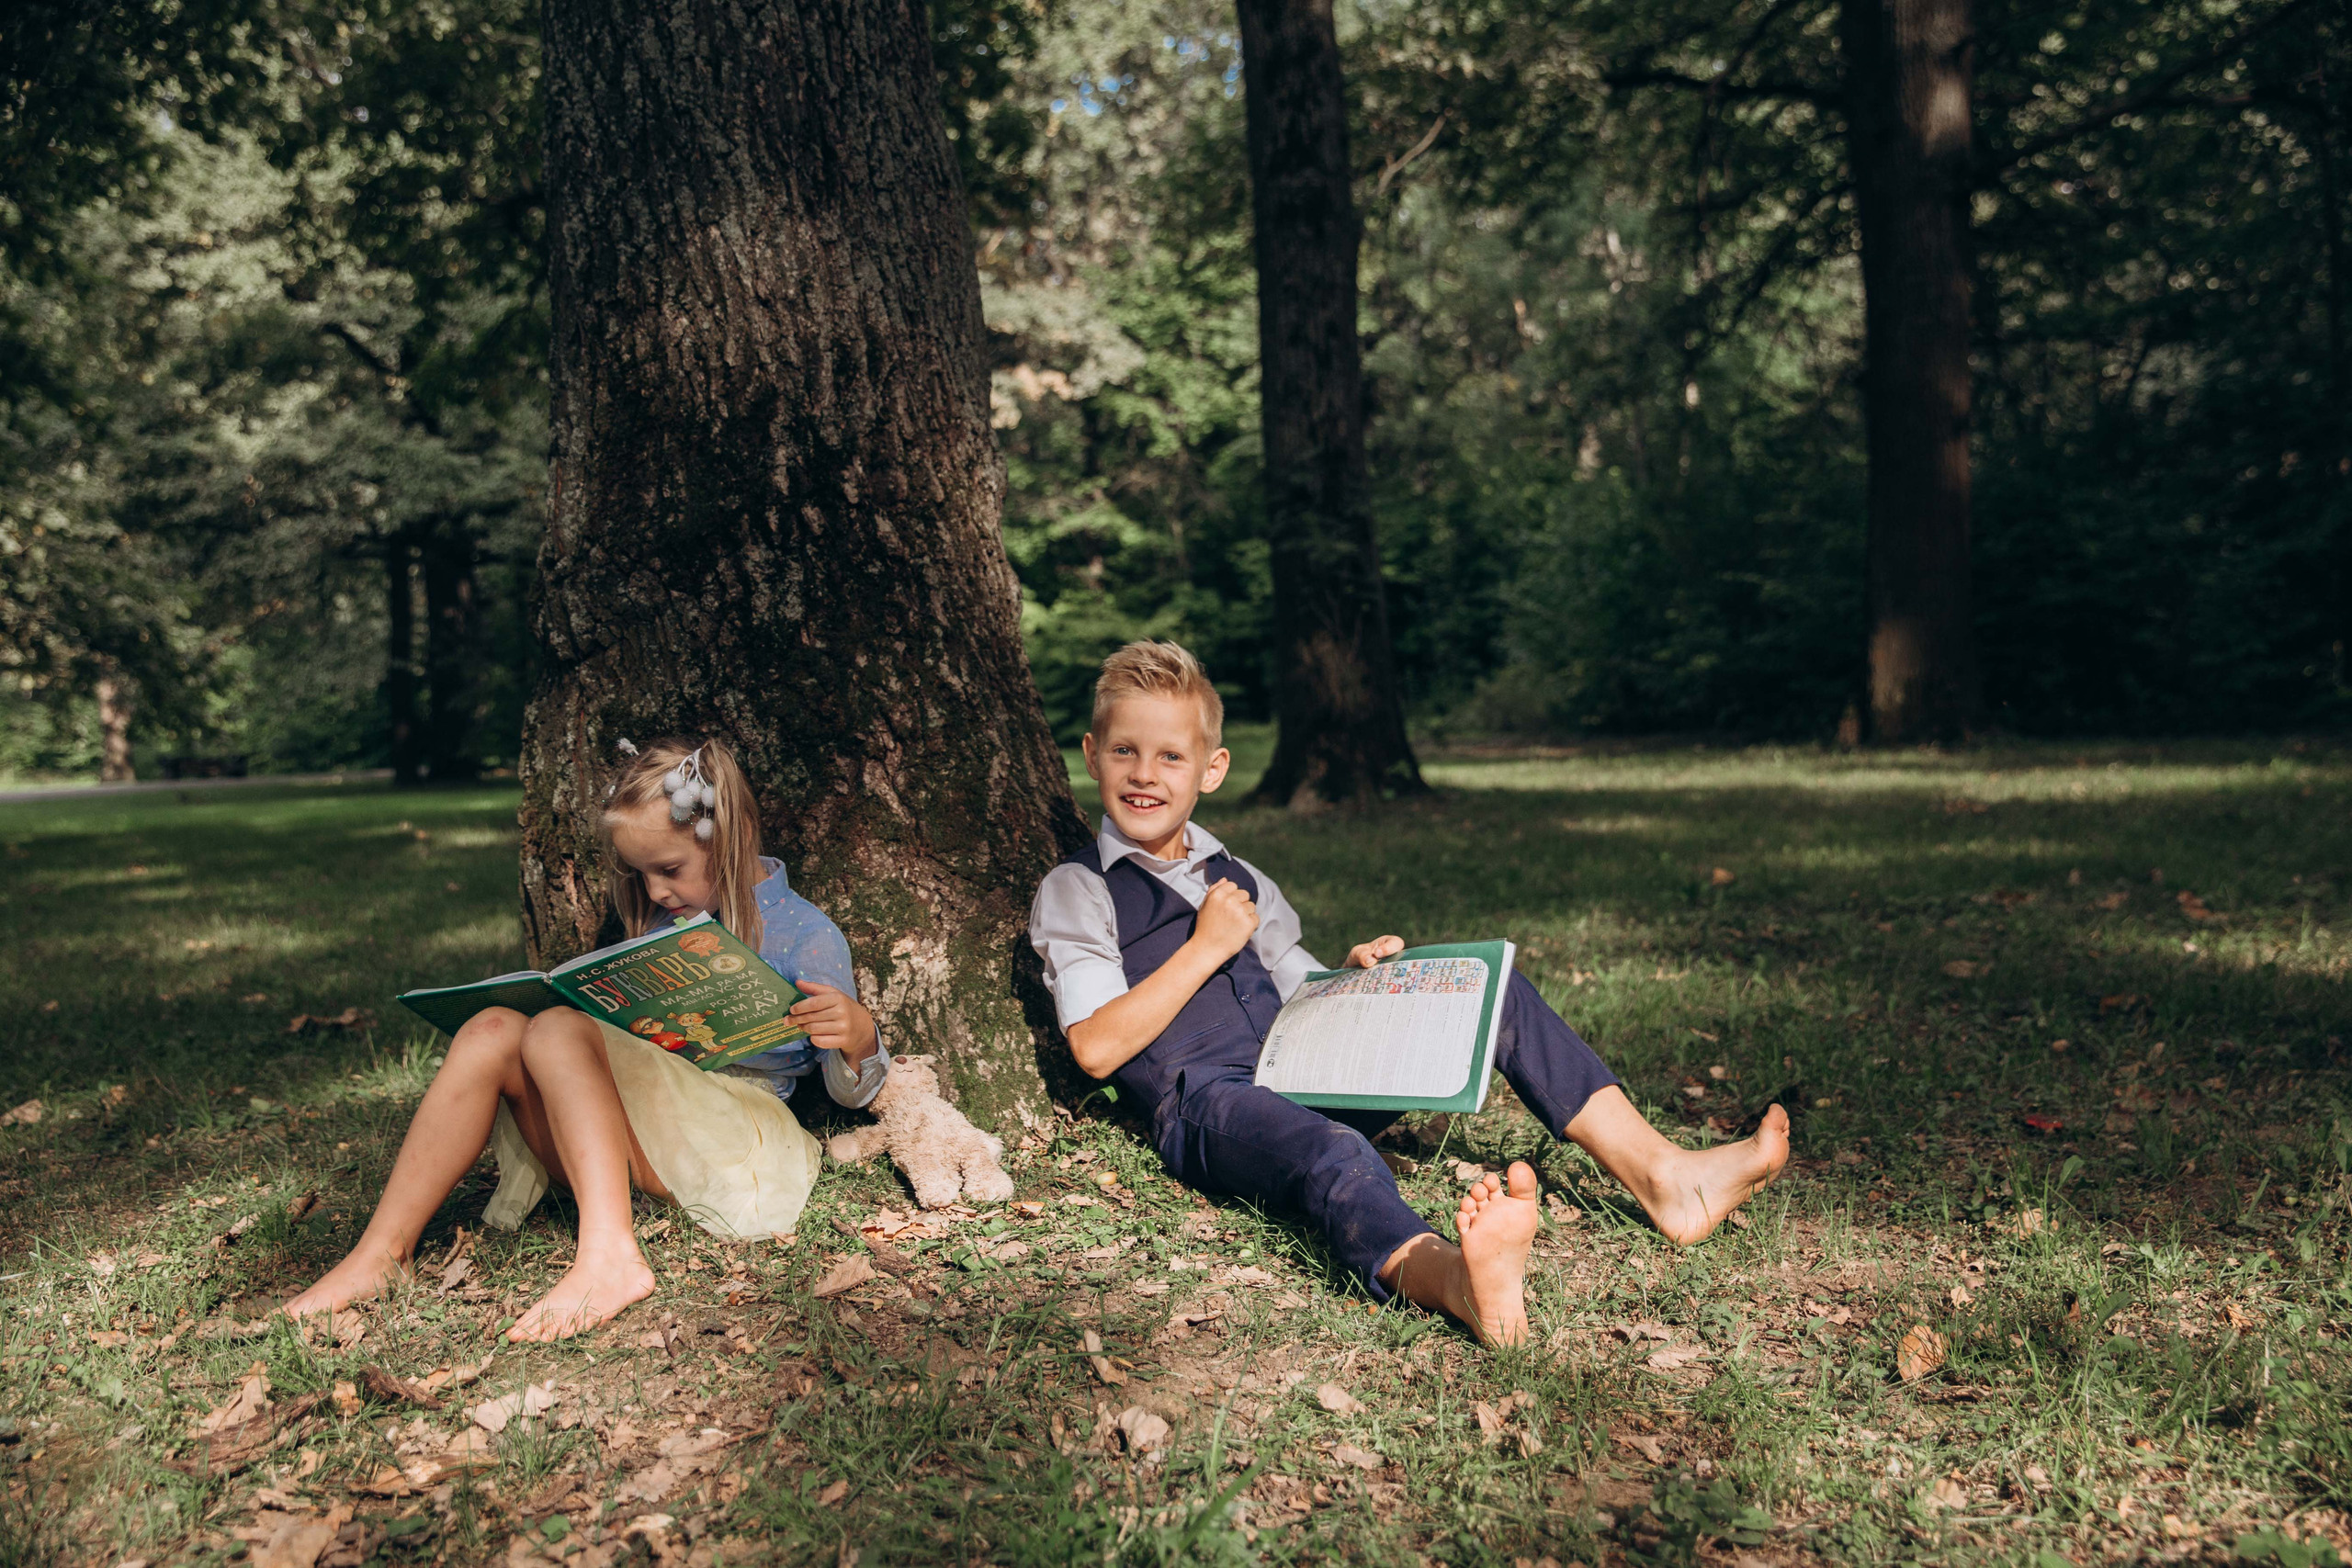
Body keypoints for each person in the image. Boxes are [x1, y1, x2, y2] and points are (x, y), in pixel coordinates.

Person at [1028, 642, 1788, 1347]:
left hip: (1298, 1062)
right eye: (1124, 750)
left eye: (1170, 755)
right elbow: (1096, 1046)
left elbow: (1299, 983)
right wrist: (1205, 948)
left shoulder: (1240, 875)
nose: (1144, 773)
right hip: (1207, 1101)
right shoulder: (1081, 887)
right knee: (1334, 1149)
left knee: (1488, 993)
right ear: (1091, 755)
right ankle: (1451, 1275)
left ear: (1212, 768)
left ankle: (1665, 1176)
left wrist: (1353, 977)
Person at [287, 737, 888, 1341]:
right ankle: (381, 1255)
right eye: (641, 873)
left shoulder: (807, 933)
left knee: (553, 1030)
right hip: (638, 1125)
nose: (654, 892)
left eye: (670, 869)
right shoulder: (661, 922)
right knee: (490, 1029)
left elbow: (849, 1092)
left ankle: (609, 1256)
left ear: (735, 837)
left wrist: (858, 1038)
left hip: (733, 1136)